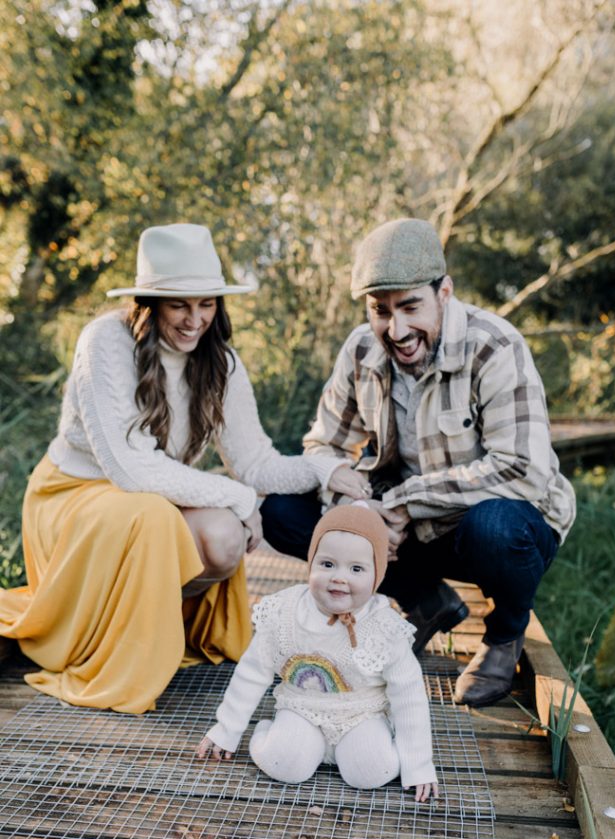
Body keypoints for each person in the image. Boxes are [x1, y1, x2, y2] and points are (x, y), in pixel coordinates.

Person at [0, 223, 366, 713]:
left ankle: (144, 622)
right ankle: (111, 639)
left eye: (207, 304)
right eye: (179, 304)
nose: (195, 320)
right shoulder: (105, 343)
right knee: (155, 517)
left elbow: (255, 462)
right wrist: (238, 499)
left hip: (152, 498)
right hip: (75, 496)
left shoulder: (221, 362)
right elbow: (130, 470)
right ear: (148, 303)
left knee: (224, 538)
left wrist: (324, 470)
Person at [261, 218, 576, 707]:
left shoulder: (493, 345)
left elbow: (523, 470)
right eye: (380, 311)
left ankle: (504, 636)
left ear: (444, 293)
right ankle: (424, 601)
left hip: (488, 525)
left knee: (496, 527)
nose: (397, 329)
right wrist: (358, 509)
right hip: (401, 529)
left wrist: (405, 504)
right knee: (283, 512)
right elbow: (323, 448)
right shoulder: (361, 350)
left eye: (410, 307)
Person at [197, 503, 438, 802]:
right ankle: (269, 731)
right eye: (327, 564)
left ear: (377, 575)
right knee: (283, 766)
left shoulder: (383, 626)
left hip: (360, 713)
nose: (339, 577)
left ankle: (359, 747)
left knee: (374, 773)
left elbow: (409, 694)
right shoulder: (285, 611)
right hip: (301, 708)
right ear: (310, 563)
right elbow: (253, 671)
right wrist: (227, 729)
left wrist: (418, 765)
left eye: (356, 569)